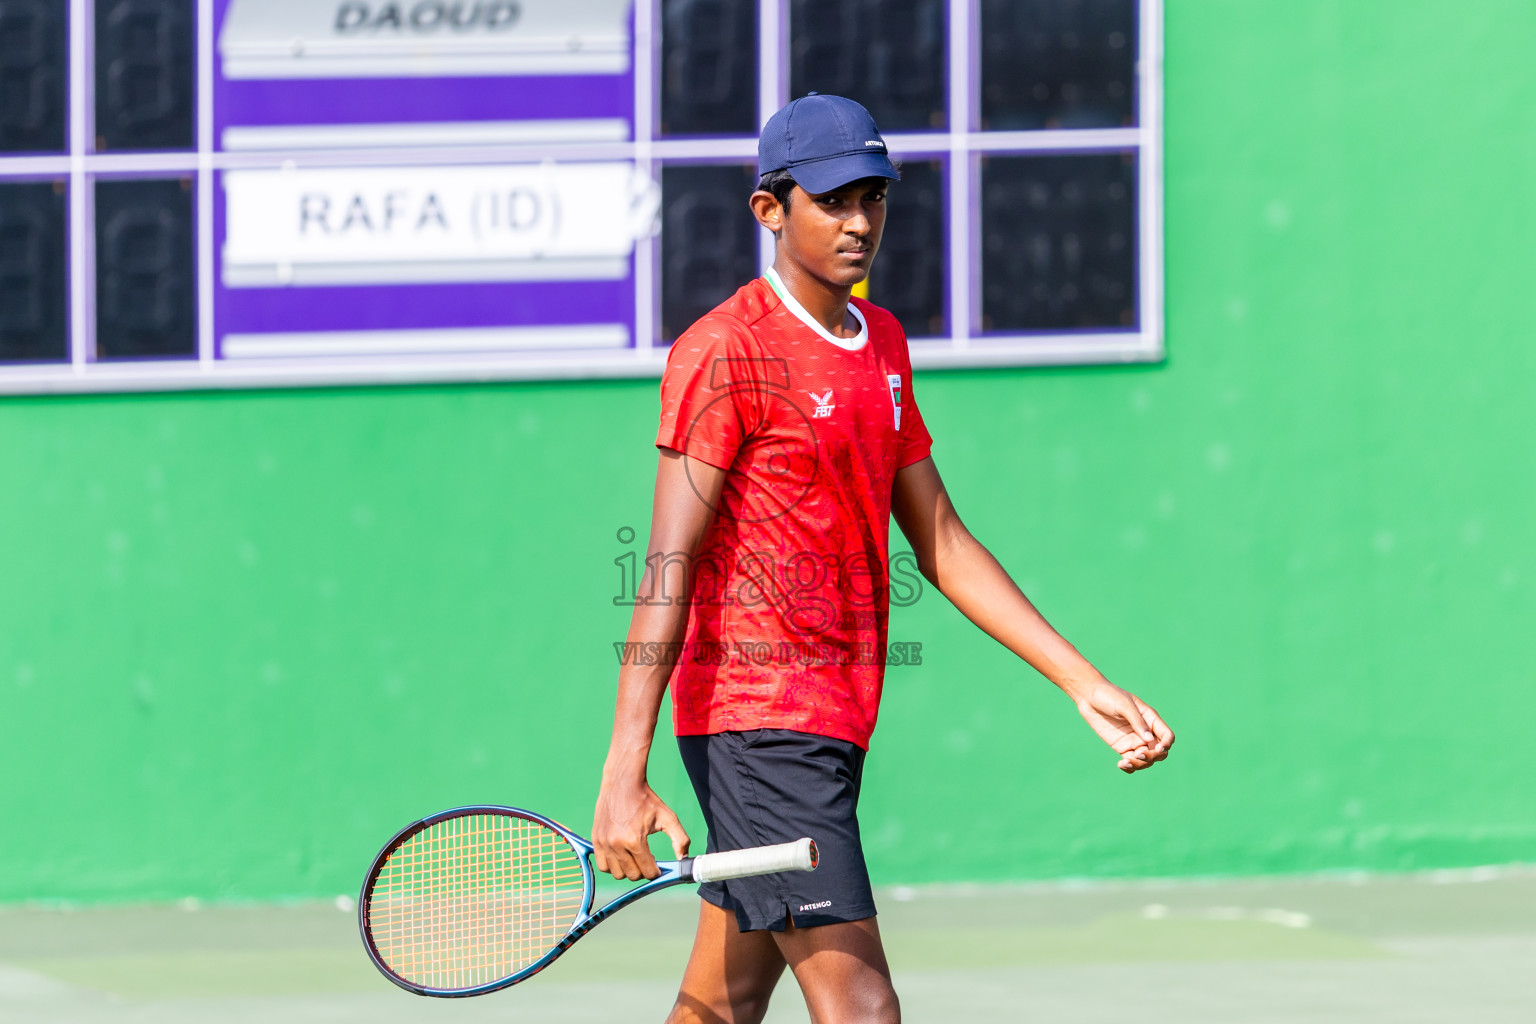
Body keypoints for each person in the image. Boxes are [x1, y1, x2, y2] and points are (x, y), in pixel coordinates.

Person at [592, 93, 1174, 1024]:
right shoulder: (724, 351)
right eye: (832, 201)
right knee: (863, 1008)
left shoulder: (884, 347)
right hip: (759, 724)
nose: (859, 222)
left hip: (834, 719)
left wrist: (1080, 681)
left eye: (873, 198)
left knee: (723, 1002)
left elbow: (939, 538)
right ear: (770, 209)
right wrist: (624, 772)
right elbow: (667, 564)